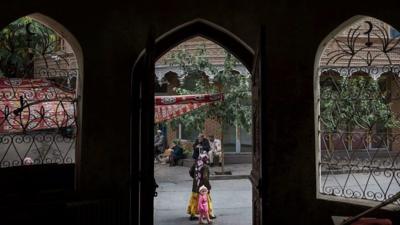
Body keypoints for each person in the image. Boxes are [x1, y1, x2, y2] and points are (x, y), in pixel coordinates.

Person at [187, 153, 216, 221]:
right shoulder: (205, 166)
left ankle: (192, 214)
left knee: (194, 200)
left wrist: (195, 178)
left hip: (195, 186)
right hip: (202, 188)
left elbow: (190, 171)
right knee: (207, 200)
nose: (207, 160)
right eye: (206, 159)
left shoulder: (196, 164)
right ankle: (209, 214)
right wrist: (208, 187)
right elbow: (205, 178)